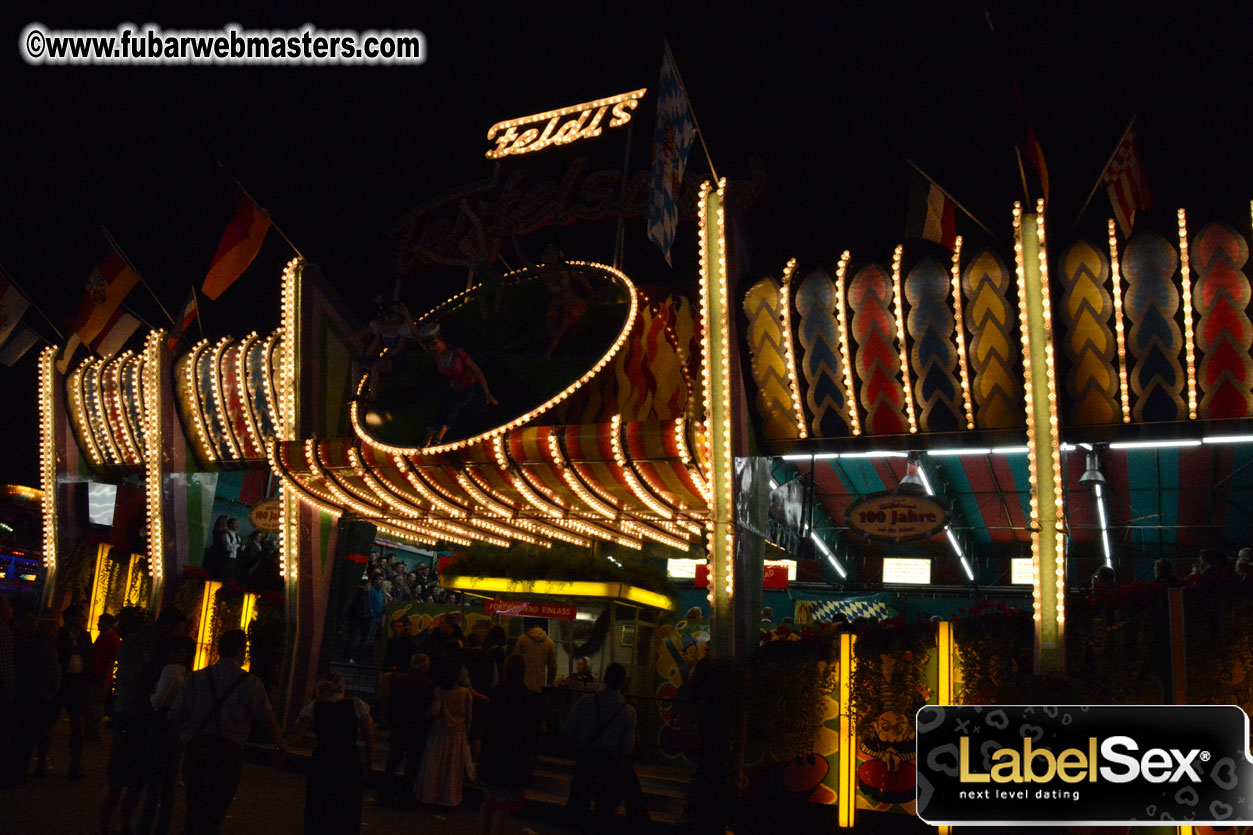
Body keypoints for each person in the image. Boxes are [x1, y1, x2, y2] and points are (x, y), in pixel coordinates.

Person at [169, 629, 286, 835]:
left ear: (218, 650)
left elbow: (176, 714)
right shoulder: (251, 683)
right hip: (228, 751)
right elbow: (267, 719)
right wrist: (281, 745)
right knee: (216, 809)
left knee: (193, 803)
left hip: (197, 746)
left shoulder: (196, 678)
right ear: (241, 651)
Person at [101, 607, 187, 835]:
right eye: (177, 630)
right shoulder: (136, 644)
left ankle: (123, 822)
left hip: (149, 718)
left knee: (138, 777)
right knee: (119, 774)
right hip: (131, 714)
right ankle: (107, 822)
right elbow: (133, 681)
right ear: (167, 628)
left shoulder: (163, 648)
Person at [285, 674, 375, 835]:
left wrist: (281, 746)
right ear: (342, 688)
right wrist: (369, 765)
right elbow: (369, 740)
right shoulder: (356, 705)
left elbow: (296, 736)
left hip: (323, 761)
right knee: (347, 811)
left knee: (319, 808)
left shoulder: (314, 708)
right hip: (348, 762)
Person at [563, 662, 639, 831]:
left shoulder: (586, 702)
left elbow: (569, 728)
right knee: (604, 815)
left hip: (586, 760)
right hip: (609, 766)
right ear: (623, 682)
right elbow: (626, 747)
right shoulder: (628, 712)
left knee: (577, 810)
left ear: (604, 678)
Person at [135, 636, 196, 835]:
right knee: (169, 784)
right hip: (178, 730)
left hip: (162, 726)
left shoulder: (170, 670)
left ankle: (145, 826)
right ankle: (162, 826)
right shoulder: (189, 675)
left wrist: (151, 695)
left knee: (153, 783)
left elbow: (158, 701)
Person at [478, 654, 543, 835]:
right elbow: (532, 729)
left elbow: (488, 722)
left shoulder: (496, 692)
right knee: (504, 805)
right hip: (515, 754)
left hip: (494, 751)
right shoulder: (528, 697)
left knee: (489, 801)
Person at [418, 323, 498, 447]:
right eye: (430, 347)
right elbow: (417, 339)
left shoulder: (457, 353)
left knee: (455, 405)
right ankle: (429, 435)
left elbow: (477, 370)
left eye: (435, 344)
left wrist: (487, 391)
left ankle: (441, 433)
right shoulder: (437, 357)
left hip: (469, 386)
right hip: (455, 387)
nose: (433, 348)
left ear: (442, 340)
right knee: (442, 406)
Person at [417, 655, 474, 808]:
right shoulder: (465, 693)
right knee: (452, 769)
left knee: (435, 766)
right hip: (457, 734)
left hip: (439, 732)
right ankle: (450, 797)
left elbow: (435, 711)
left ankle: (430, 795)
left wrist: (425, 716)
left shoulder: (439, 691)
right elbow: (468, 716)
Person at [379, 653, 434, 807]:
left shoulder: (400, 679)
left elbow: (392, 701)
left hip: (399, 725)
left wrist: (391, 720)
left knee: (393, 760)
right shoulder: (427, 684)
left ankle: (385, 794)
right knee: (412, 764)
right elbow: (427, 706)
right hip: (416, 728)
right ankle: (405, 795)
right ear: (424, 665)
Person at [10, 614, 59, 781]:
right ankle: (22, 770)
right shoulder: (47, 649)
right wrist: (51, 691)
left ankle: (17, 770)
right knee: (34, 733)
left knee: (23, 735)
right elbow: (52, 674)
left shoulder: (27, 646)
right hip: (40, 696)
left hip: (27, 694)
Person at [52, 603, 94, 778]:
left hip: (78, 683)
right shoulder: (59, 635)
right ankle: (40, 760)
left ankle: (75, 764)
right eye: (78, 617)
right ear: (68, 618)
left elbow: (89, 657)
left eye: (82, 617)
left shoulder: (85, 636)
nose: (81, 620)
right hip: (62, 682)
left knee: (78, 725)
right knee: (48, 722)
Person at [88, 612, 122, 741]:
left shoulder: (113, 639)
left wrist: (104, 676)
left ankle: (94, 730)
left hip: (101, 674)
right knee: (94, 703)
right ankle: (91, 729)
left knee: (97, 704)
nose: (97, 624)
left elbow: (110, 660)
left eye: (100, 622)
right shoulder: (103, 636)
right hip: (96, 673)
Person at [514, 623, 557, 694]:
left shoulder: (522, 639)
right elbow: (552, 667)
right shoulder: (549, 643)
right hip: (540, 683)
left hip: (523, 683)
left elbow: (515, 660)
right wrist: (550, 682)